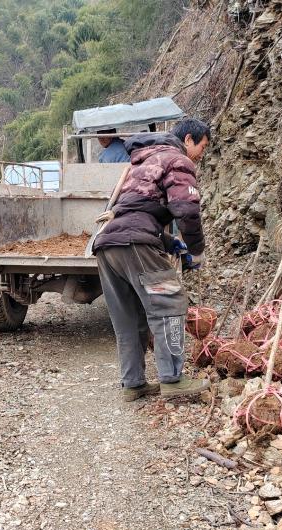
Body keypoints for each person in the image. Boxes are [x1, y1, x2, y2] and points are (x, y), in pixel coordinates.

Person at [92, 118, 211, 401]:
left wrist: (170, 242)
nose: (202, 154)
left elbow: (136, 211)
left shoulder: (141, 162)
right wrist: (196, 250)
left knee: (128, 317)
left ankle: (133, 384)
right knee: (170, 303)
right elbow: (187, 211)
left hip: (107, 246)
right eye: (203, 146)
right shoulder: (177, 160)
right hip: (136, 244)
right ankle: (173, 379)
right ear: (188, 140)